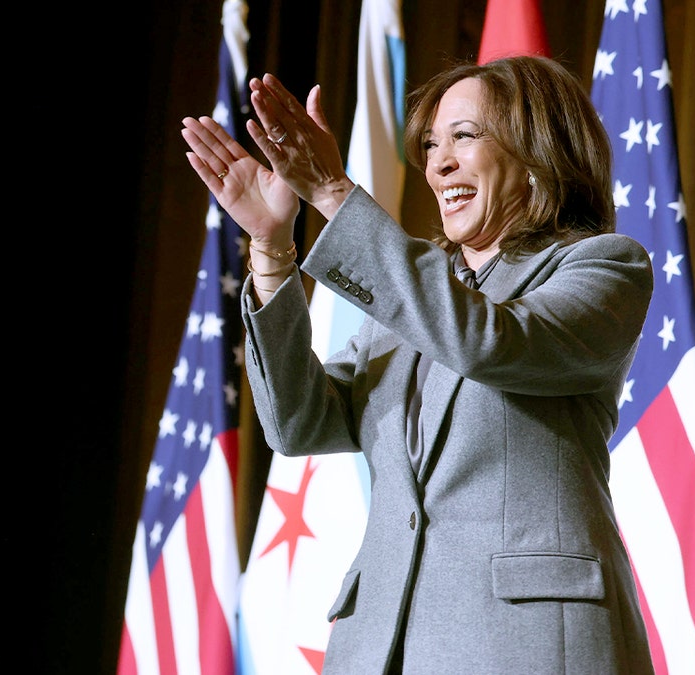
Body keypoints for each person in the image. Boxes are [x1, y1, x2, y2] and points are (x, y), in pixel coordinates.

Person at [181, 55, 655, 674]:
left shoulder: (604, 267)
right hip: (384, 647)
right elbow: (297, 423)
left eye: (464, 136)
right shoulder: (406, 305)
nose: (438, 163)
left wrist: (332, 193)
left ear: (539, 153)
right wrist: (272, 249)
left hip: (528, 643)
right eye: (432, 144)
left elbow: (490, 342)